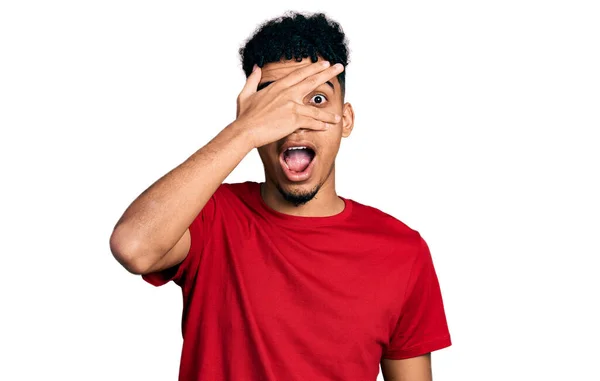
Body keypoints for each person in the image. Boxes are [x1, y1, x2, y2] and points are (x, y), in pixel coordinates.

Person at [110, 10, 451, 381]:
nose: (294, 119)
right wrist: (242, 131)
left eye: (317, 100)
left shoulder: (402, 251)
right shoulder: (210, 216)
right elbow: (134, 247)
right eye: (274, 103)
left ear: (346, 119)